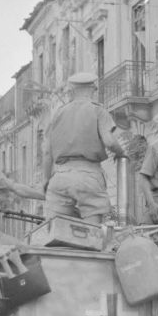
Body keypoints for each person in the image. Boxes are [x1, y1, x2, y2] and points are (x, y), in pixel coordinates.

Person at [42, 71, 126, 225]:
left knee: (55, 233)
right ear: (93, 89)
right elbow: (110, 142)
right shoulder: (97, 110)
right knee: (92, 234)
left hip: (60, 177)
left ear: (72, 91)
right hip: (88, 177)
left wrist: (47, 181)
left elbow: (47, 153)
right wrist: (121, 153)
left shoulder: (58, 113)